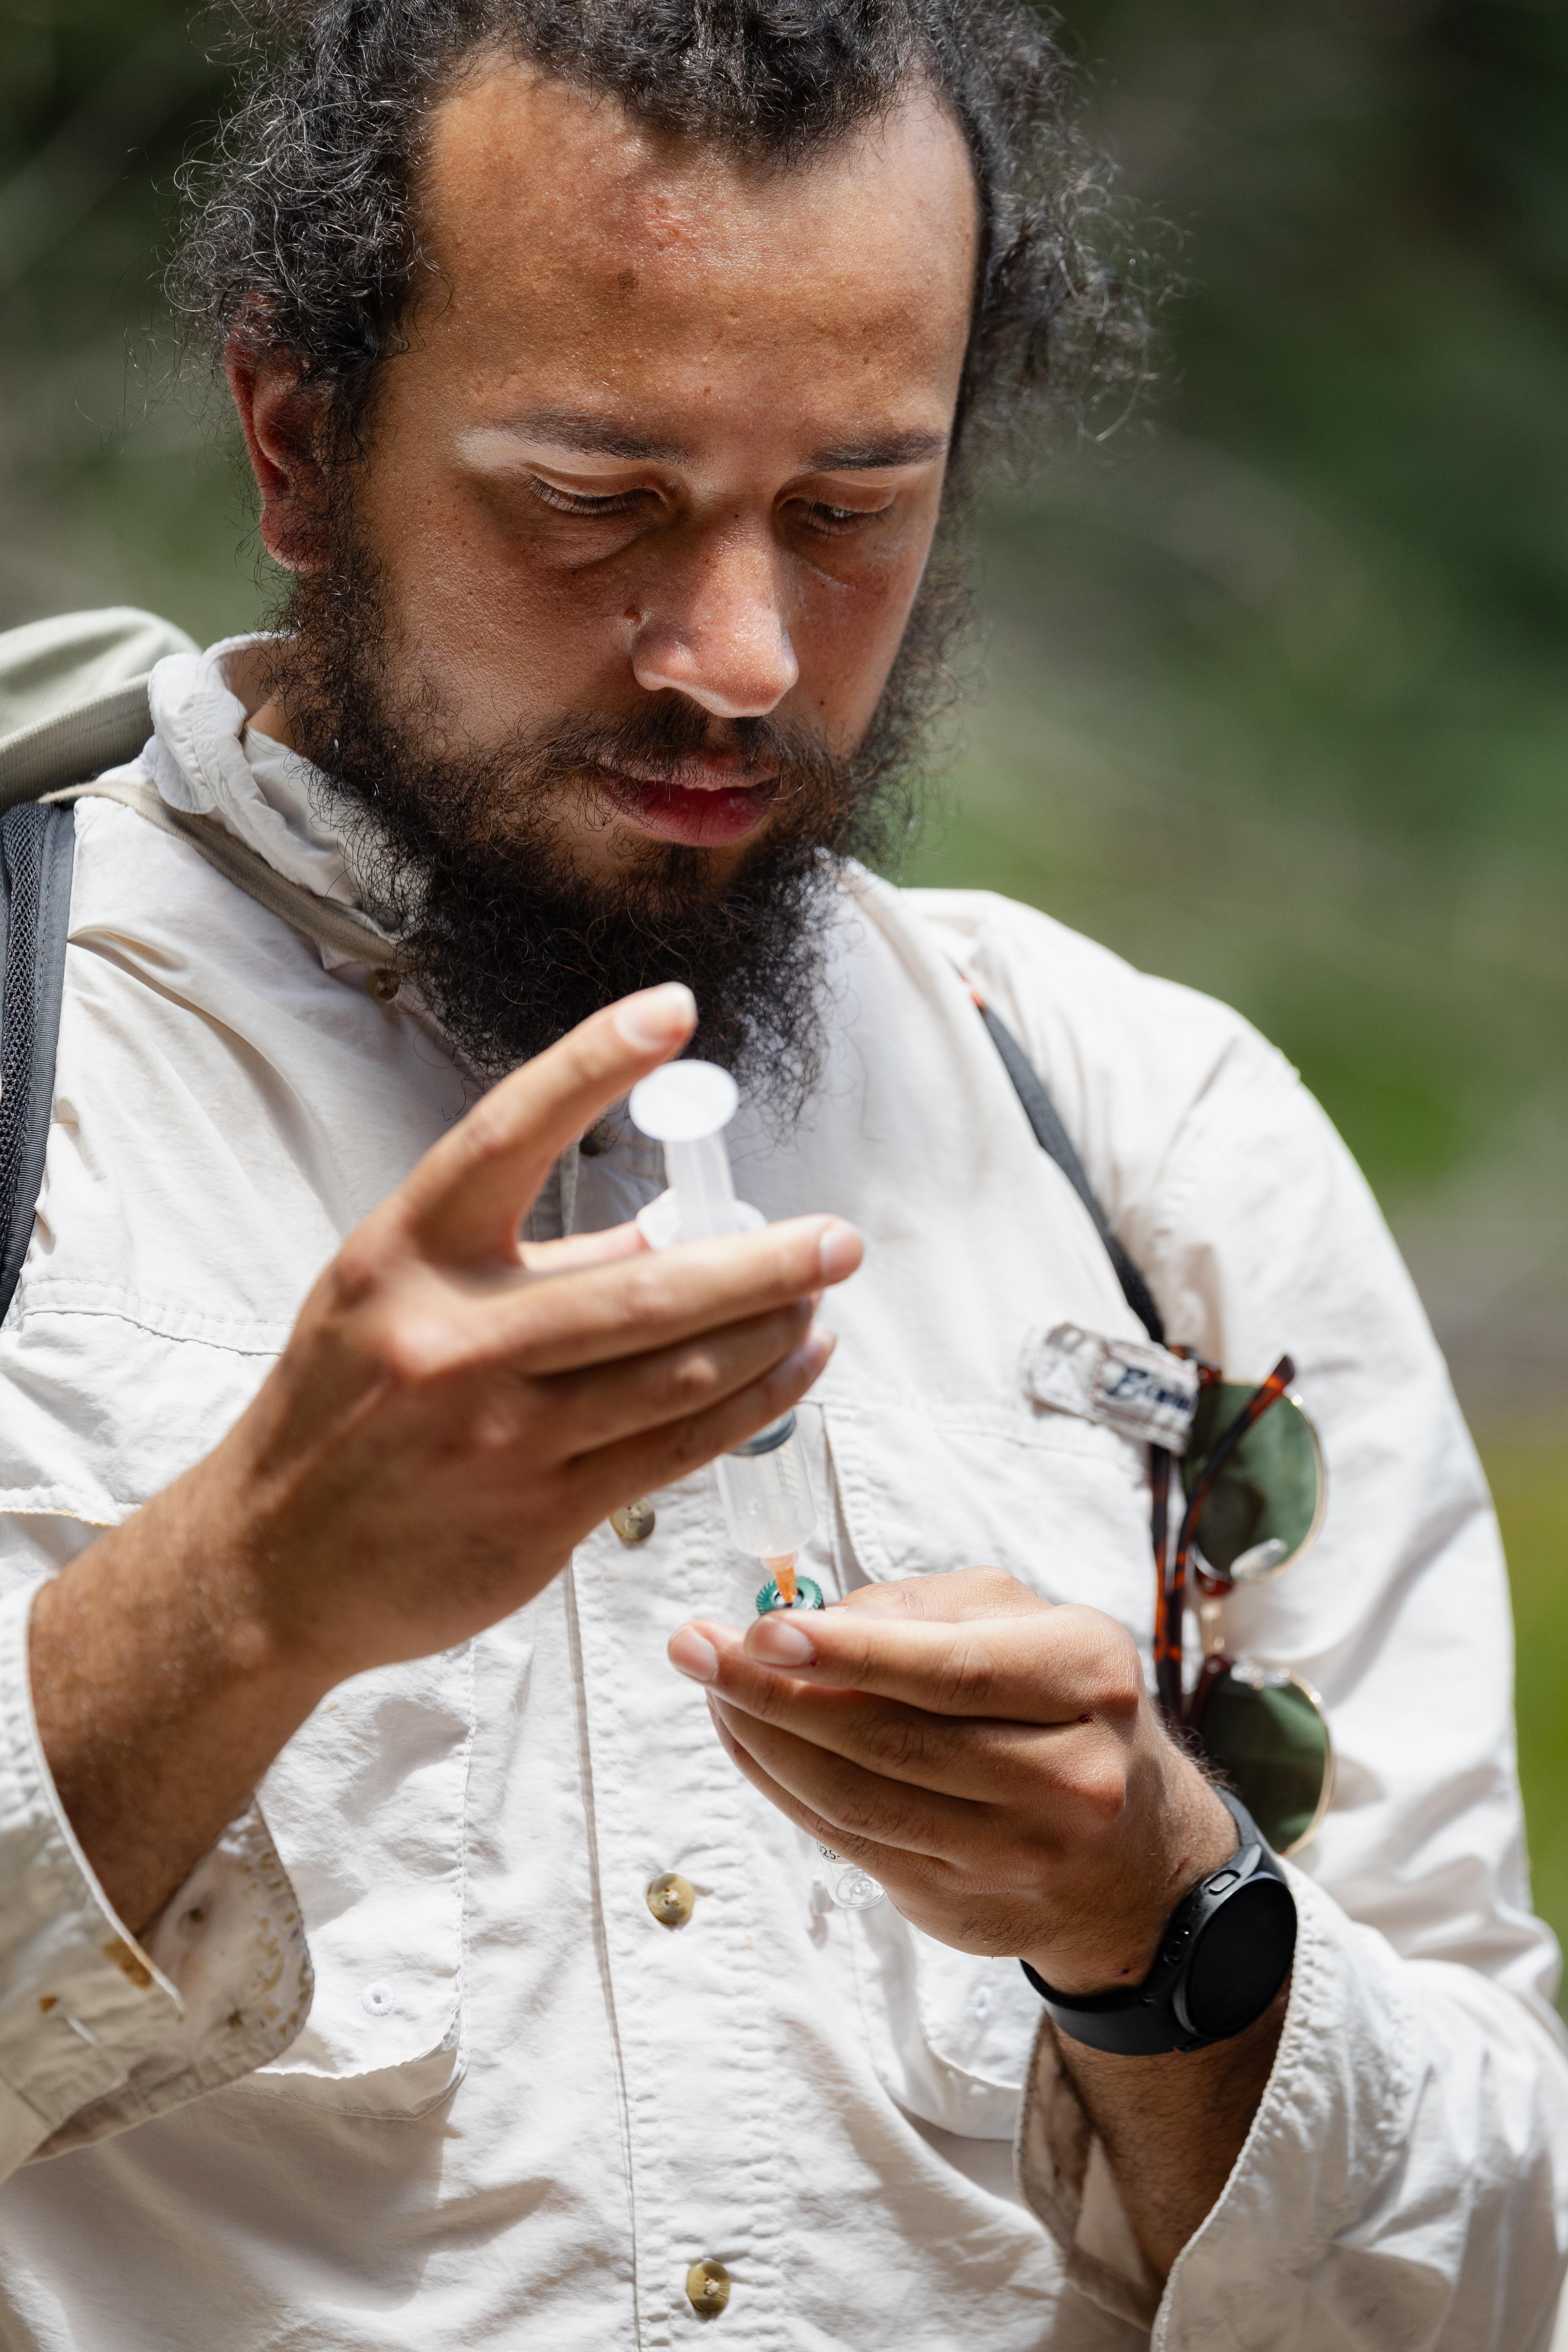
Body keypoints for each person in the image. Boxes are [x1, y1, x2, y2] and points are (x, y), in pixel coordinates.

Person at [0, 2, 1563, 2344]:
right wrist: (235, 1601)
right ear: (296, 444)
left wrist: (1170, 1916)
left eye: (851, 508)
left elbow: (1504, 2267)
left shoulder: (1152, 1135)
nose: (740, 658)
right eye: (594, 502)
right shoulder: (46, 1046)